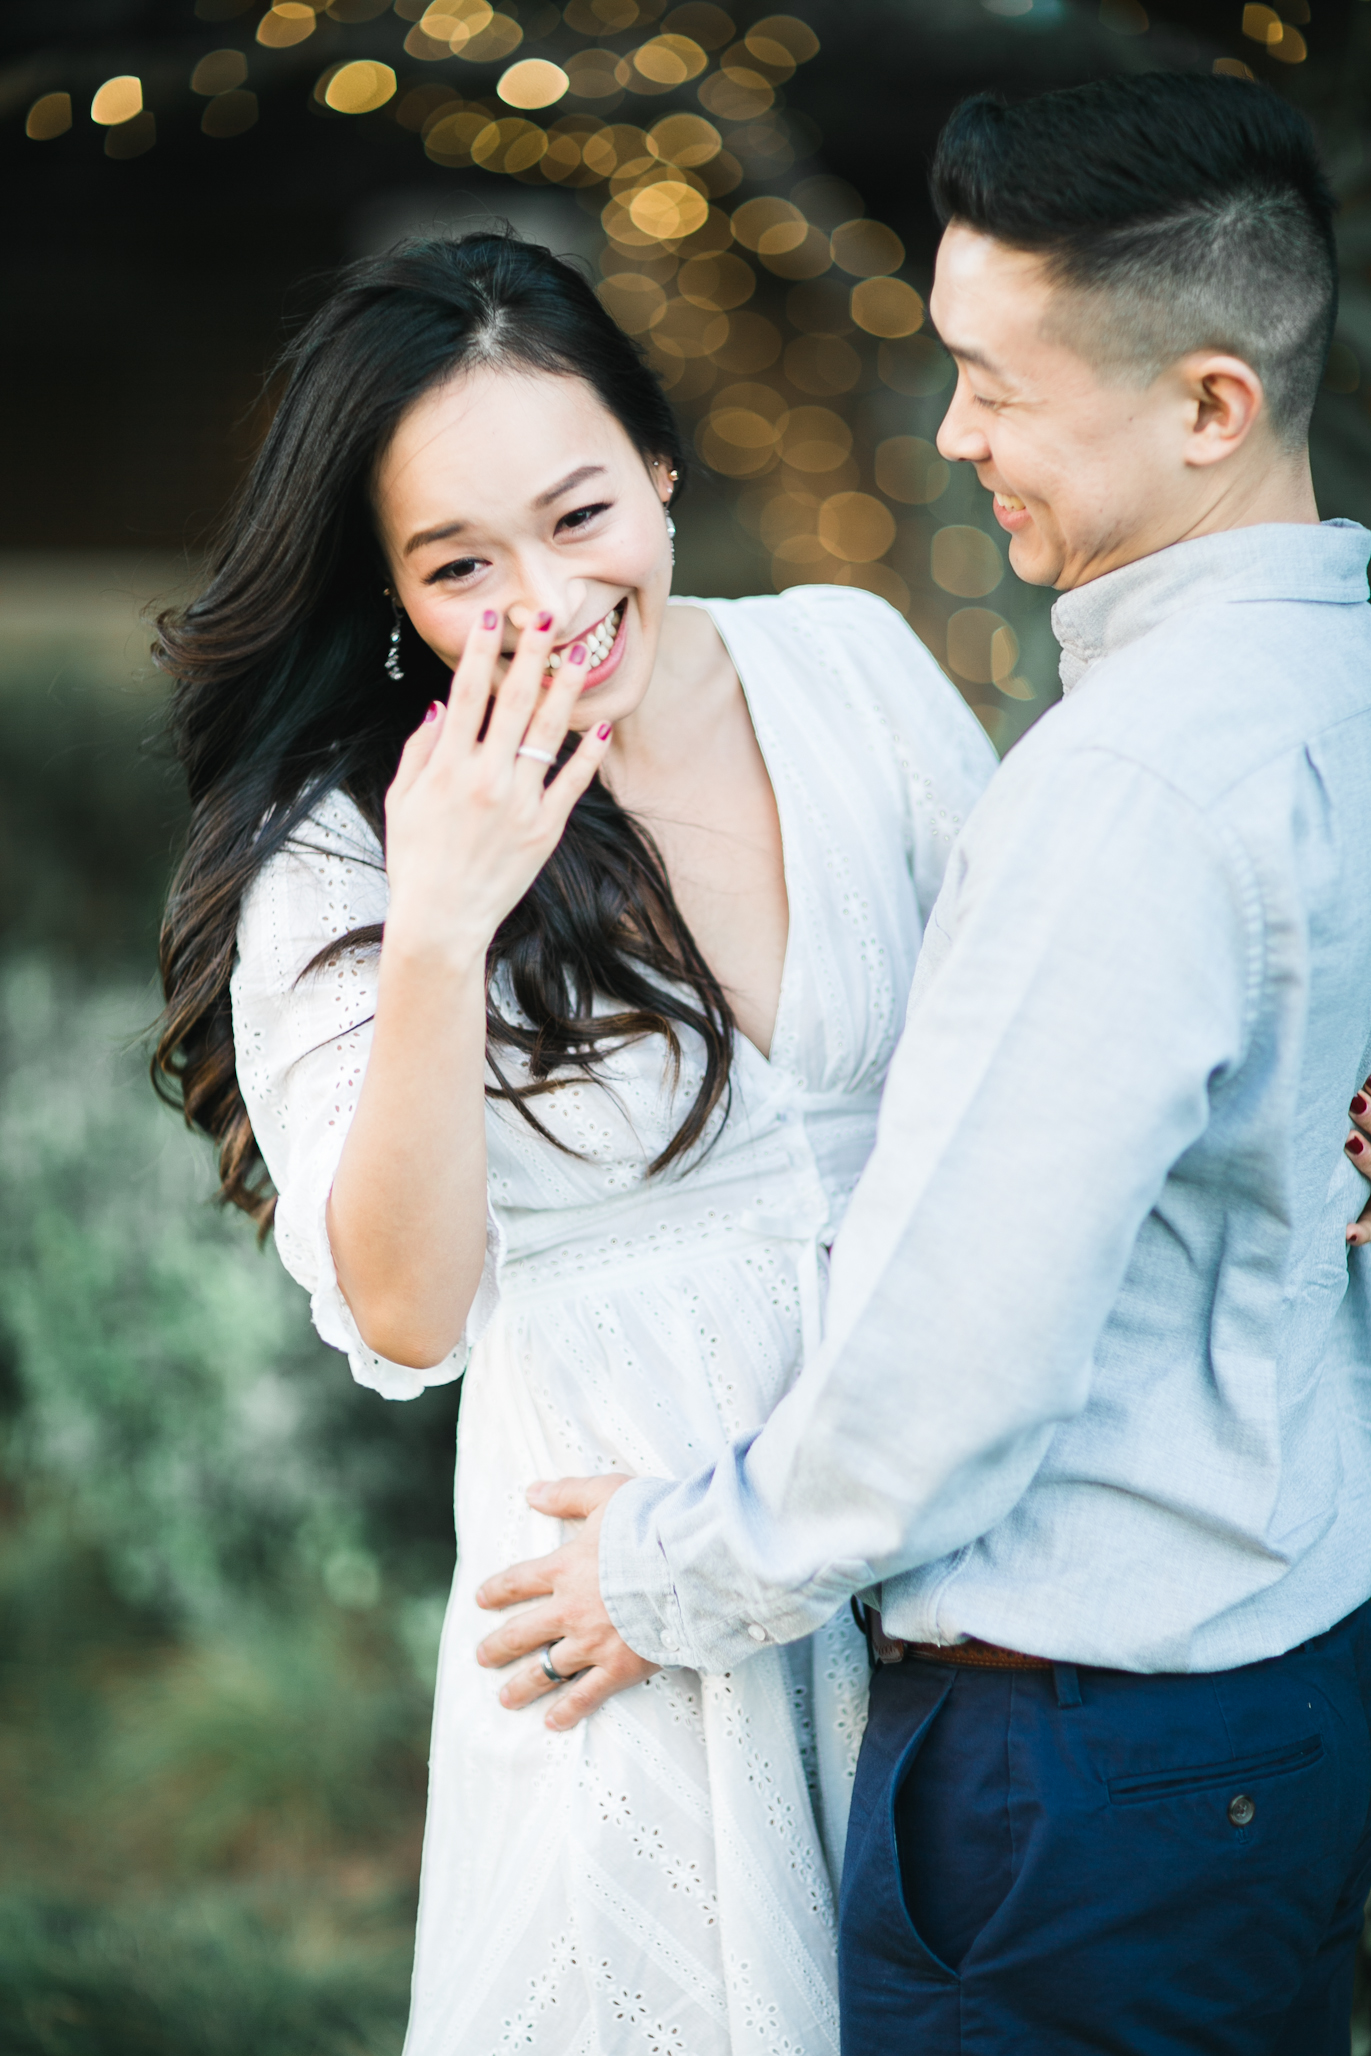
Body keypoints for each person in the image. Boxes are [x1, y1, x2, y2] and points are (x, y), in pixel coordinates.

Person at [473, 74, 1371, 2054]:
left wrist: (660, 1568)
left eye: (996, 382)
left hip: (1081, 1768)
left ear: (1207, 405)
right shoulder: (1335, 685)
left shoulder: (1124, 793)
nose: (954, 431)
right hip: (1285, 1693)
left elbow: (944, 1380)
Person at [151, 233, 997, 2053]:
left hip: (946, 1568)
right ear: (388, 590)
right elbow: (402, 1311)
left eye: (581, 513)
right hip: (620, 1639)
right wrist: (446, 920)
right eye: (461, 566)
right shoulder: (345, 852)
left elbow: (1026, 1072)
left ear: (662, 463)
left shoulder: (847, 666)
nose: (544, 599)